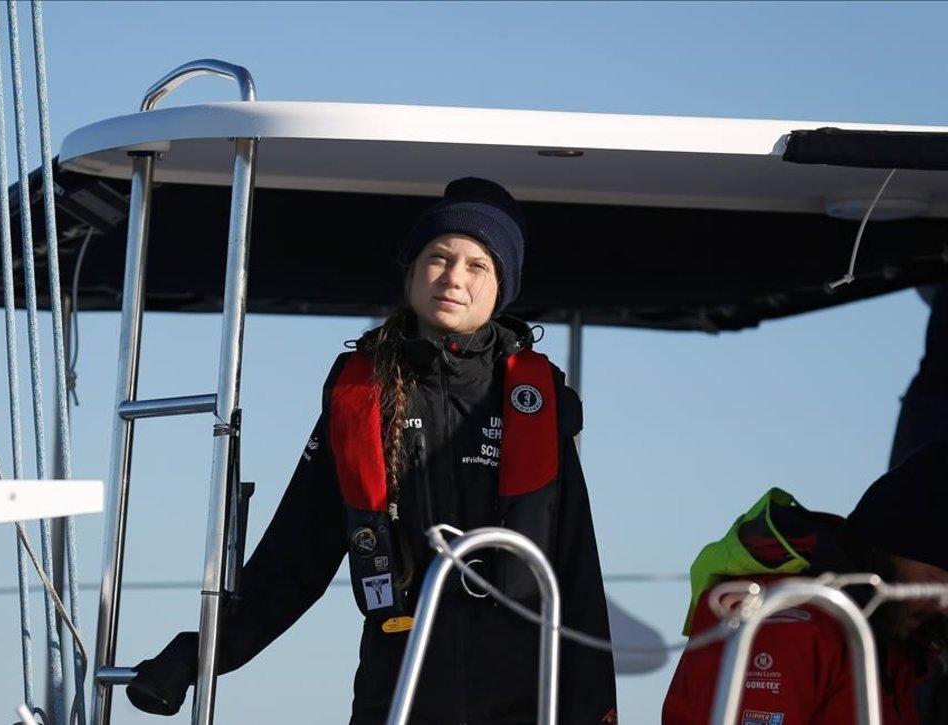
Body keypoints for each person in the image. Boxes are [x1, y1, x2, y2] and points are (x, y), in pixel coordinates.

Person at [127, 178, 618, 723]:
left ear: (500, 288)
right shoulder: (362, 395)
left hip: (524, 683)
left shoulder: (534, 400)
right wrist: (198, 657)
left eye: (477, 266)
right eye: (438, 257)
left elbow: (577, 568)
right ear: (411, 271)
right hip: (398, 675)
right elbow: (295, 556)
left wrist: (594, 710)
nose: (454, 278)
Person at [663, 439, 948, 724]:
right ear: (889, 548)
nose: (944, 605)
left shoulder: (900, 655)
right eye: (936, 583)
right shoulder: (786, 625)